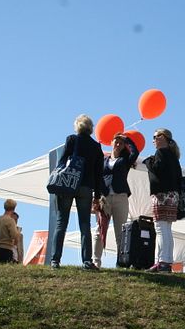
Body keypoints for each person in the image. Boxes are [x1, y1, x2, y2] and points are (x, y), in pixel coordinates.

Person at [51, 114, 104, 270]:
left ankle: (55, 260)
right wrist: (98, 196)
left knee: (61, 223)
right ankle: (87, 260)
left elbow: (61, 163)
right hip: (86, 187)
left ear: (77, 126)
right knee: (85, 224)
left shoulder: (72, 140)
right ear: (91, 128)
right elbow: (98, 173)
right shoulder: (96, 147)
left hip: (68, 184)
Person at [93, 133, 139, 268]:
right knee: (100, 229)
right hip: (105, 198)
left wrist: (127, 139)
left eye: (121, 143)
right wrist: (96, 197)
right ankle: (96, 261)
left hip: (121, 197)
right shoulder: (103, 160)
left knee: (122, 232)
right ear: (111, 142)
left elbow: (135, 152)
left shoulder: (126, 160)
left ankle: (121, 262)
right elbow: (97, 177)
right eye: (116, 142)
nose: (118, 145)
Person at [143, 128, 182, 273]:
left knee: (160, 228)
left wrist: (148, 161)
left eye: (156, 136)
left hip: (162, 195)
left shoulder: (160, 153)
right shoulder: (173, 156)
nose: (154, 139)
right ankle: (163, 261)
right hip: (173, 196)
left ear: (164, 138)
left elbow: (156, 169)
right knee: (166, 229)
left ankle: (163, 262)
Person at [0, 199, 19, 264]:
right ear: (14, 208)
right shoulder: (10, 221)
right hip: (7, 250)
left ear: (4, 207)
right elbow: (15, 236)